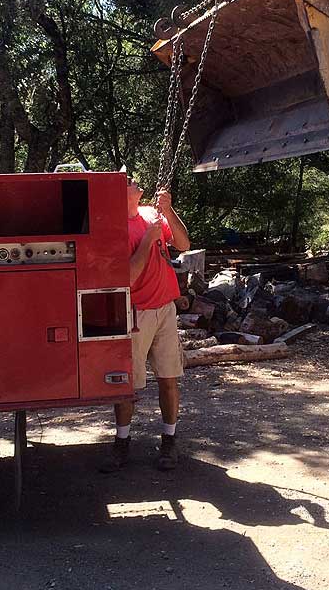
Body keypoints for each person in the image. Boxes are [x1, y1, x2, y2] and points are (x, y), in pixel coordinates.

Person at [100, 174, 190, 472]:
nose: (135, 181)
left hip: (165, 309)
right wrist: (148, 241)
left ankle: (169, 440)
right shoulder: (114, 229)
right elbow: (125, 278)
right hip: (136, 313)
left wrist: (169, 209)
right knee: (128, 385)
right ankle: (122, 442)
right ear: (118, 194)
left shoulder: (152, 213)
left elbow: (183, 243)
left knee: (169, 379)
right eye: (127, 181)